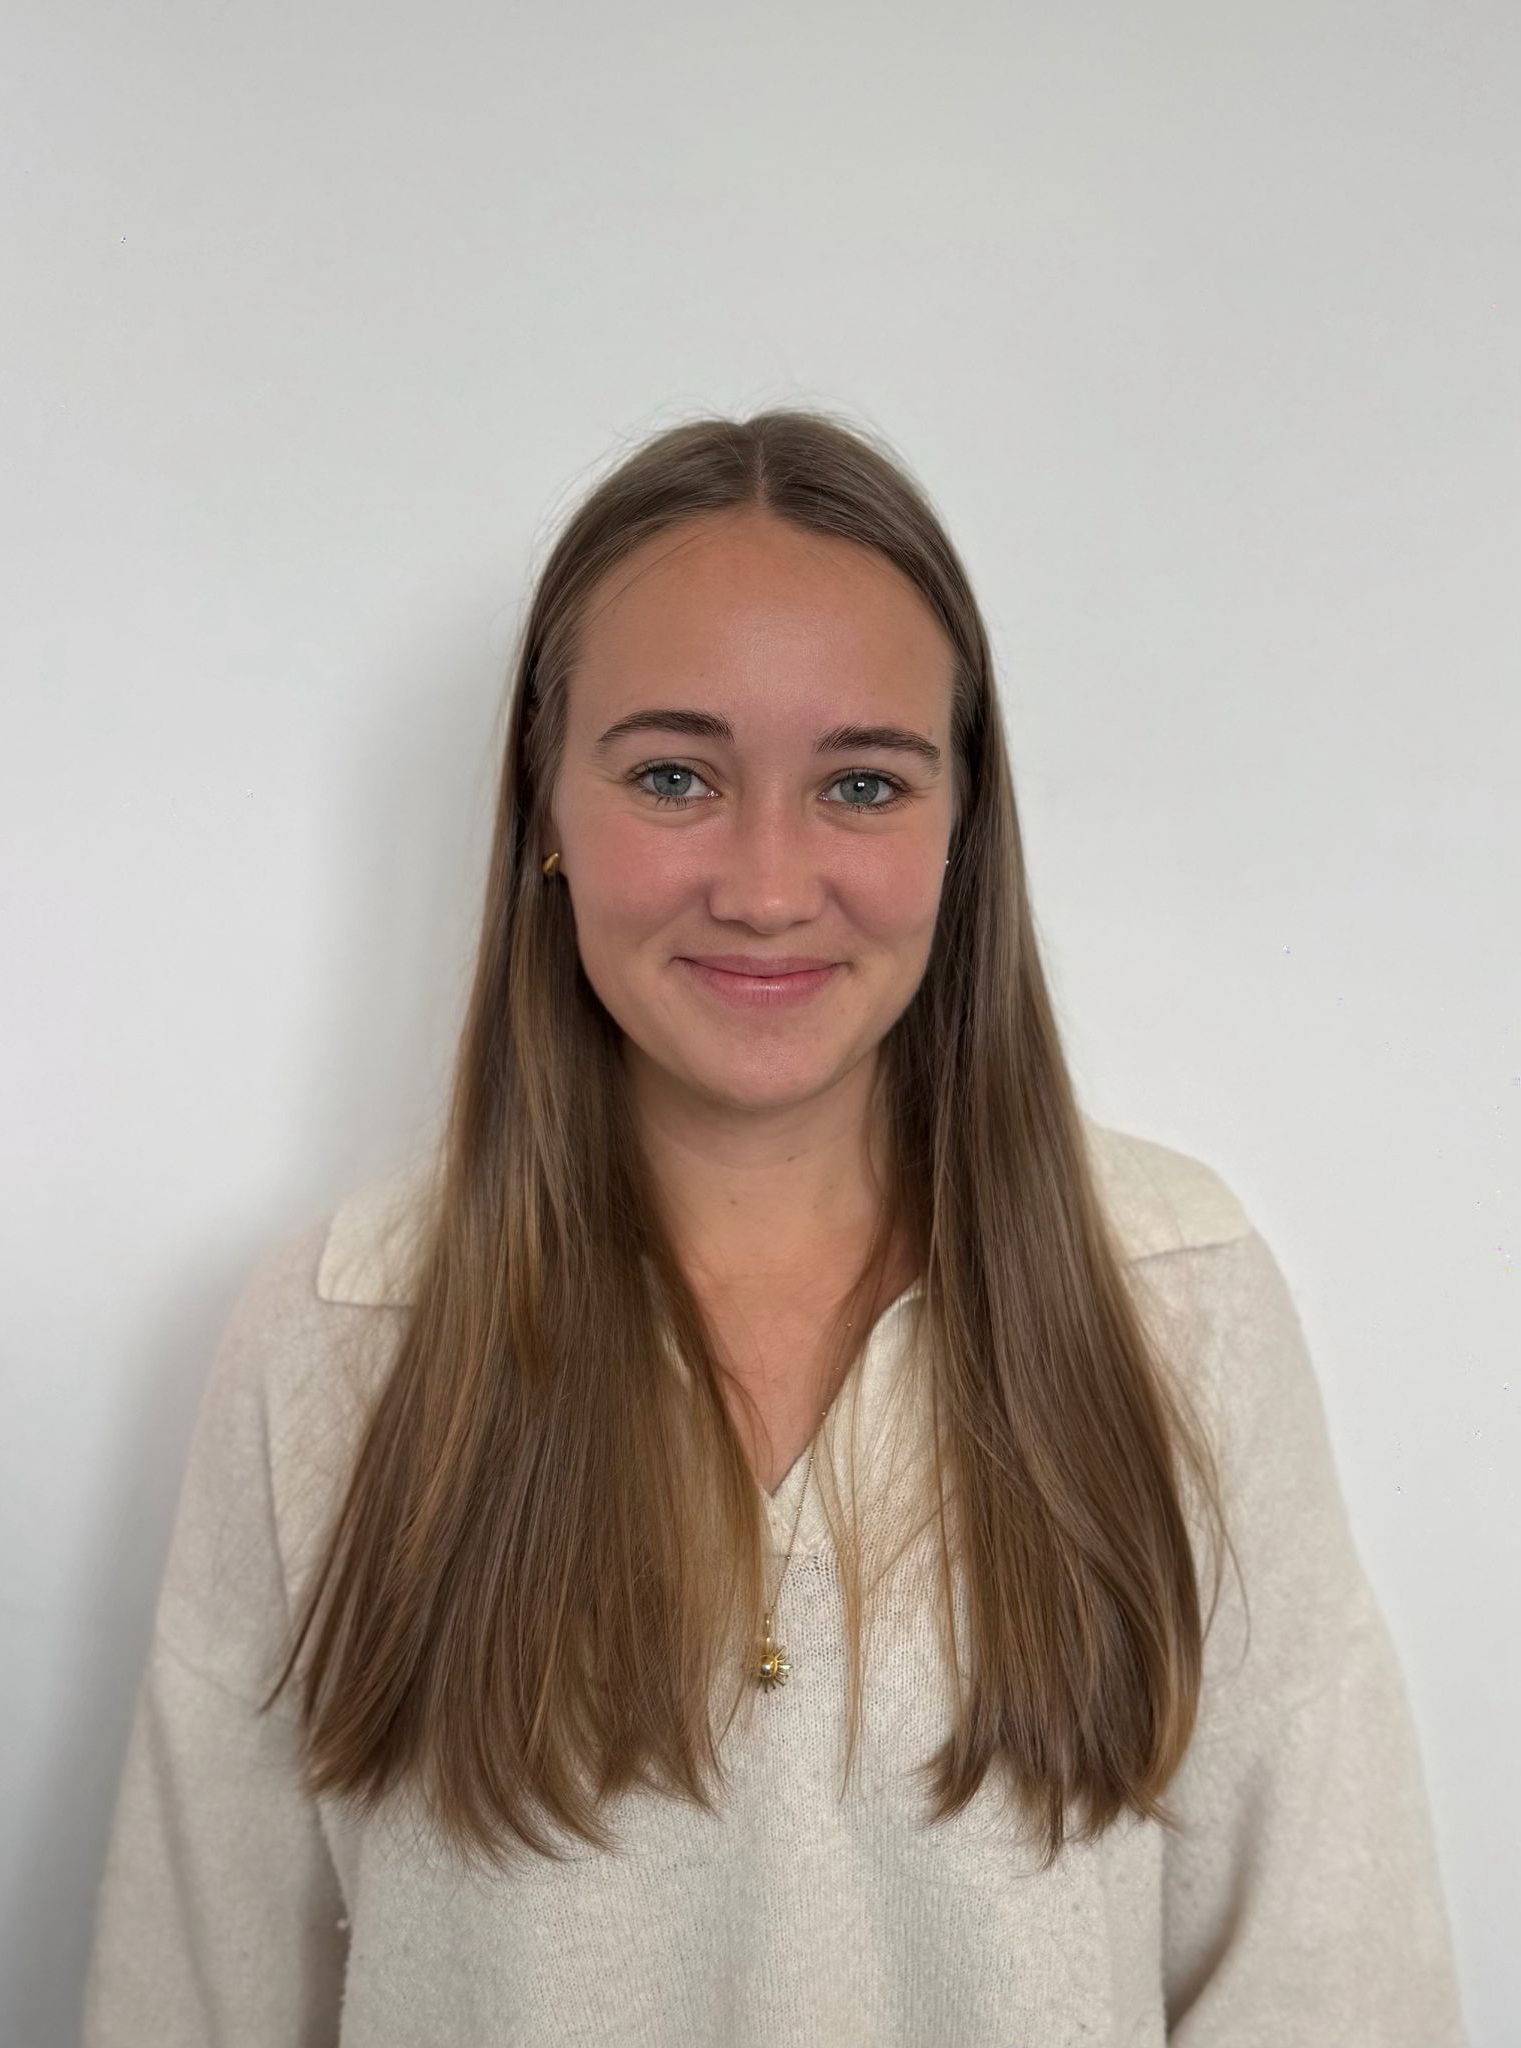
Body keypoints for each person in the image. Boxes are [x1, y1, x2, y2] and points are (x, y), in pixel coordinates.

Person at [81, 409, 1467, 2045]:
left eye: (861, 784)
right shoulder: (343, 1336)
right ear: (544, 803)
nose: (764, 884)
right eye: (674, 776)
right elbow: (191, 1995)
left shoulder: (1173, 1303)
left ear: (962, 827)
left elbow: (1335, 1983)